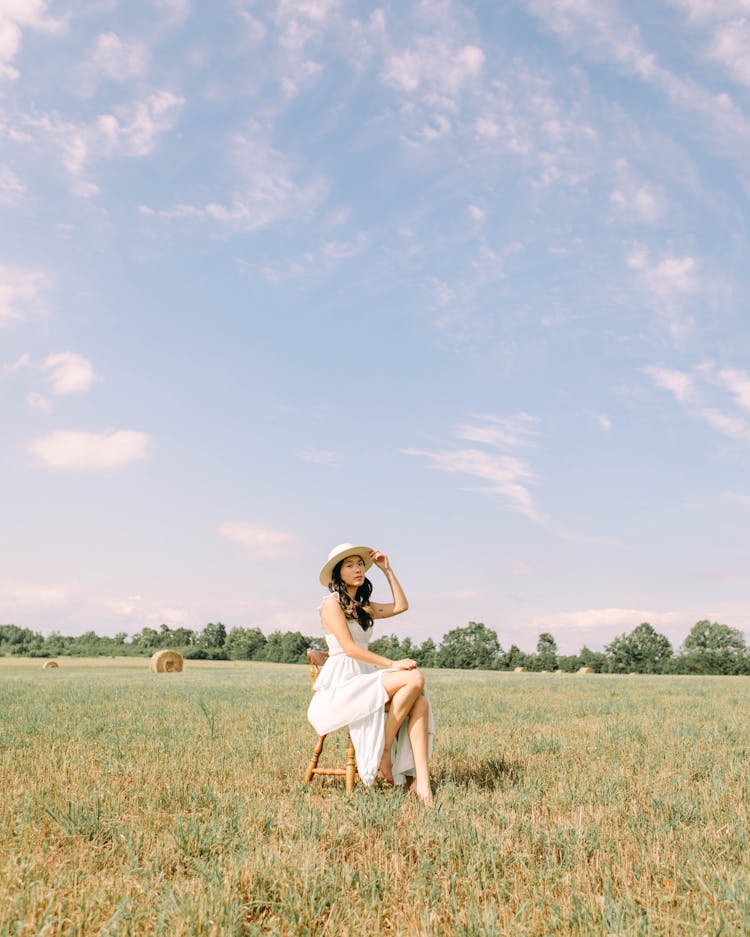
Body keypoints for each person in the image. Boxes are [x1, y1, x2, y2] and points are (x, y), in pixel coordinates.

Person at [307, 542, 434, 805]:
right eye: (349, 565)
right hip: (342, 686)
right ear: (338, 573)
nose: (357, 569)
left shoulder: (363, 605)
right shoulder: (331, 604)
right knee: (415, 678)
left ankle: (422, 782)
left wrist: (387, 570)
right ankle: (384, 752)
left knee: (419, 700)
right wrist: (391, 664)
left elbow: (401, 606)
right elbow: (350, 649)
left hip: (363, 678)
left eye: (360, 564)